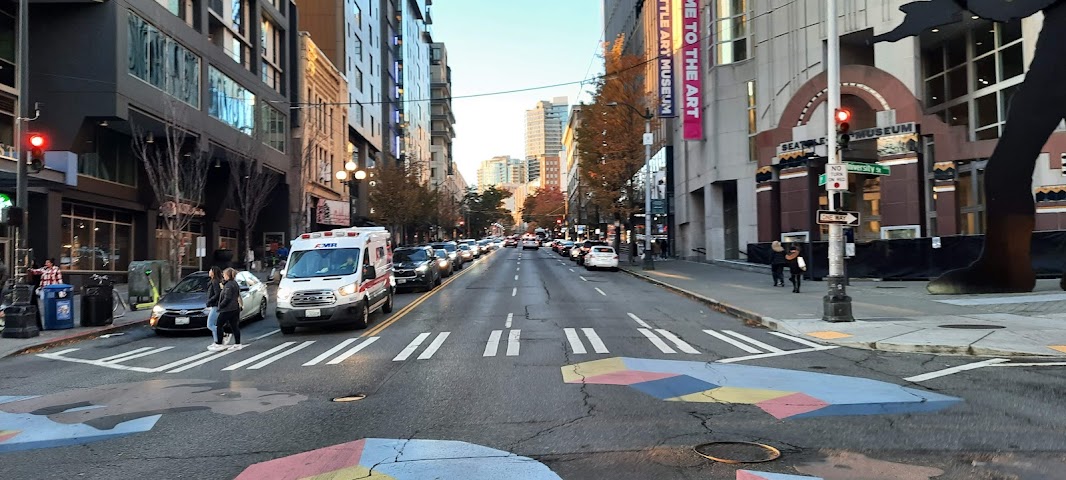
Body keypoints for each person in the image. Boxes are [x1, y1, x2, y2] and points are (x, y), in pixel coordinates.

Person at [210, 268, 243, 351]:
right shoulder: (234, 283)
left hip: (227, 309)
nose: (223, 276)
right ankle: (237, 343)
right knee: (234, 326)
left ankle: (219, 343)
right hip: (235, 308)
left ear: (228, 275)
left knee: (219, 325)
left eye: (224, 274)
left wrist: (220, 306)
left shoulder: (229, 285)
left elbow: (227, 298)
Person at [204, 267, 224, 349]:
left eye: (210, 270)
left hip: (215, 305)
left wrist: (210, 301)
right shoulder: (214, 281)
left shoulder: (215, 281)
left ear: (214, 272)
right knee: (213, 324)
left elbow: (217, 294)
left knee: (210, 324)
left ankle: (221, 336)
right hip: (214, 305)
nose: (209, 272)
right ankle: (216, 341)